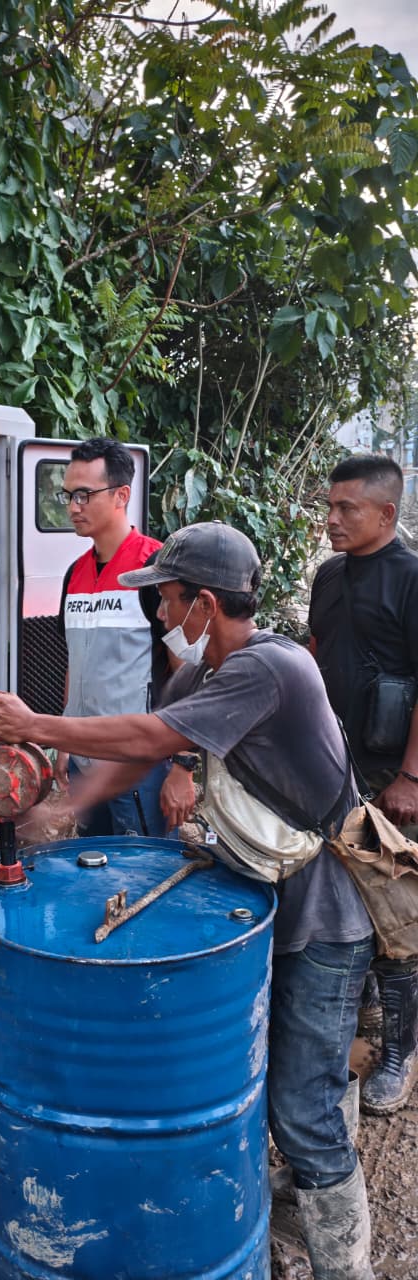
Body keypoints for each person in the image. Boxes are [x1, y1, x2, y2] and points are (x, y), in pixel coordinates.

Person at [0, 522, 375, 1280]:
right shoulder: (207, 675)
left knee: (301, 1106)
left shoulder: (269, 668)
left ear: (204, 605)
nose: (158, 616)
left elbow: (149, 732)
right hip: (271, 902)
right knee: (292, 1072)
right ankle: (310, 1162)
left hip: (325, 916)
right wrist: (68, 807)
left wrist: (35, 724)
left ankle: (344, 1261)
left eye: (165, 601)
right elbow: (141, 755)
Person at [309, 453, 418, 1114]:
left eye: (346, 508)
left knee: (394, 915)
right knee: (340, 900)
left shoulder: (411, 578)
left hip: (389, 771)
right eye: (330, 506)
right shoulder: (328, 576)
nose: (331, 519)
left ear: (386, 512)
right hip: (333, 765)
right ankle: (358, 1013)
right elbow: (319, 655)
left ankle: (400, 1050)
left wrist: (410, 775)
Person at [54, 437, 178, 837]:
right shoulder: (74, 573)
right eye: (69, 494)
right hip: (85, 760)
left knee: (145, 880)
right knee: (93, 867)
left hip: (138, 765)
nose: (74, 506)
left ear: (122, 495)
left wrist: (183, 767)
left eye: (85, 494)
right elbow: (76, 662)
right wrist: (64, 741)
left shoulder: (155, 569)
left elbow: (186, 675)